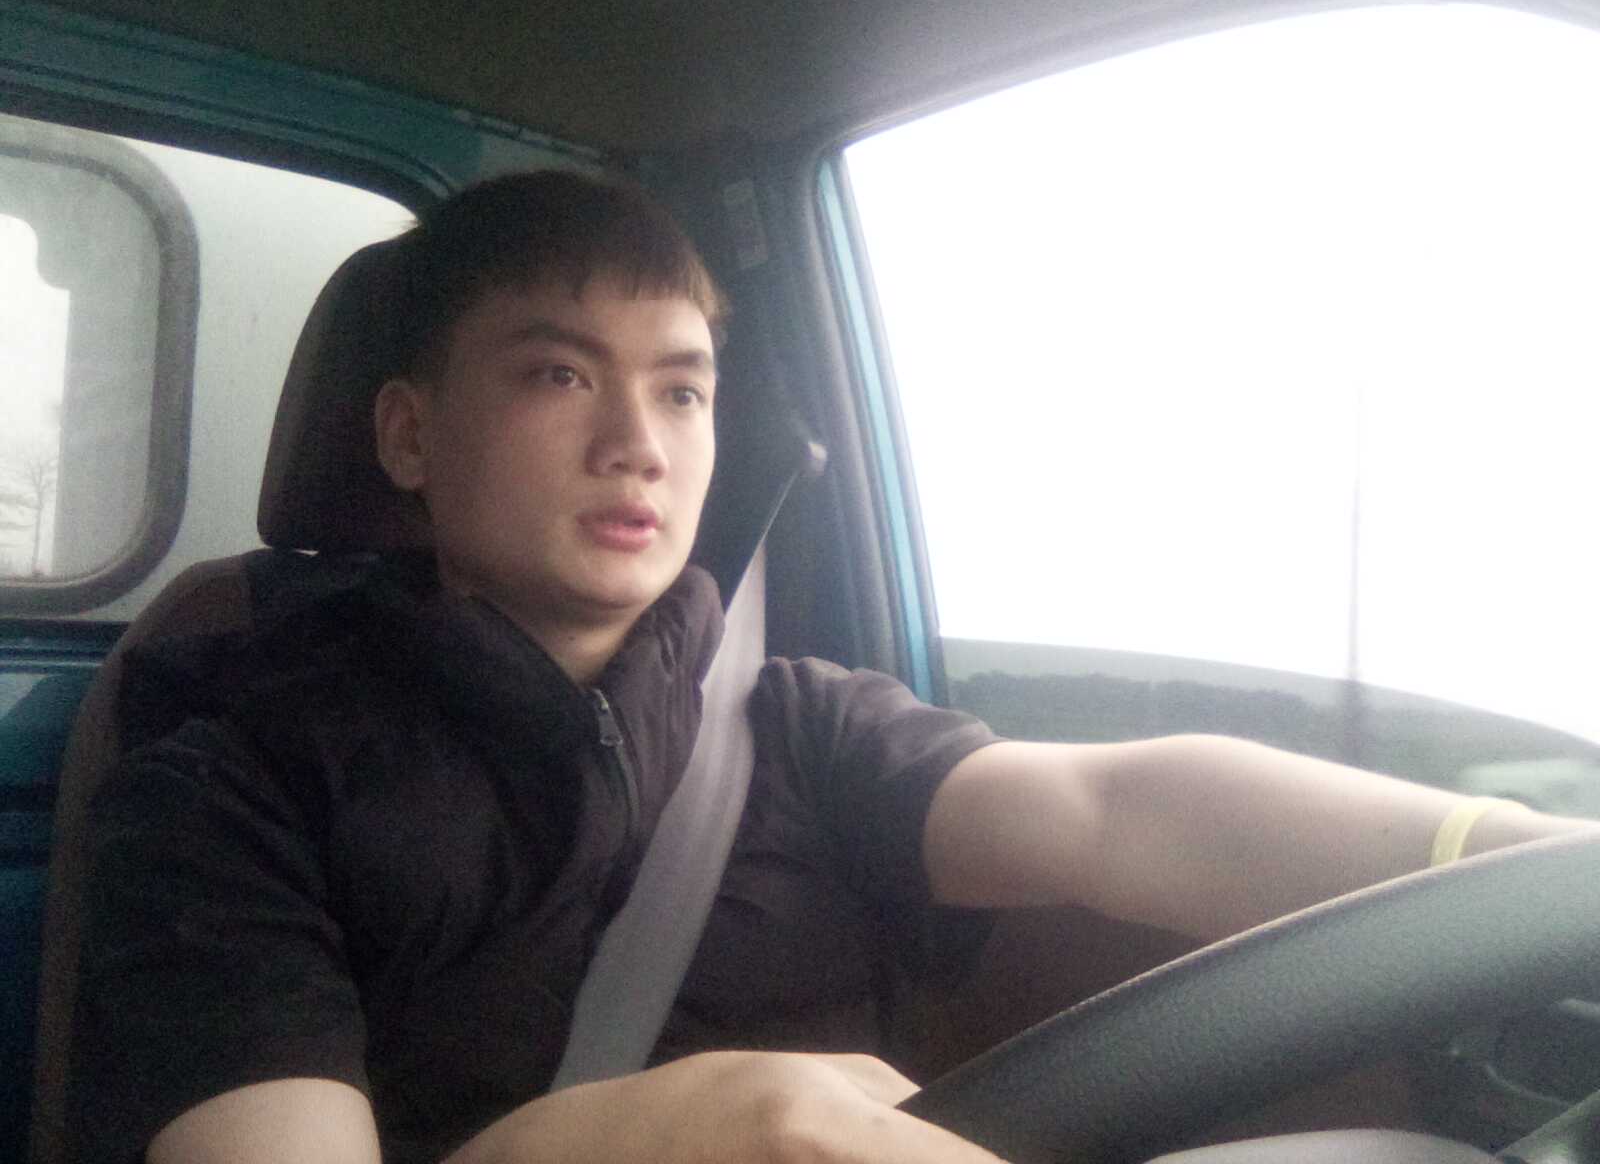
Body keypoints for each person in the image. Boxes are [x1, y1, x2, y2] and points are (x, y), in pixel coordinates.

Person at [71, 171, 1594, 1164]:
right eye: (559, 373)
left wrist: (1520, 858)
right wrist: (665, 1131)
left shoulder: (791, 721)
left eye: (685, 390)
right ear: (408, 433)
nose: (638, 442)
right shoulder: (227, 767)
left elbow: (1117, 808)